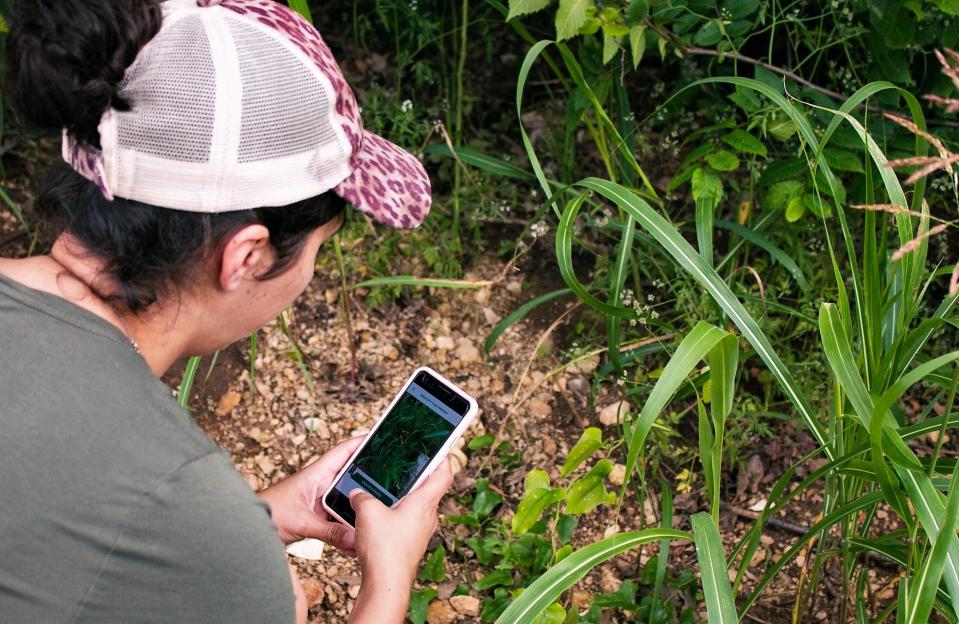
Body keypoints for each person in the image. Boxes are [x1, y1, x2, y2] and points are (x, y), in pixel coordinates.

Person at [0, 0, 451, 622]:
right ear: (246, 257)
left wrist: (254, 517)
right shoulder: (184, 499)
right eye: (318, 251)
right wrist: (389, 581)